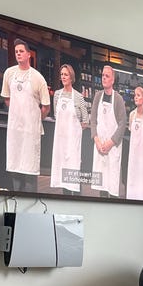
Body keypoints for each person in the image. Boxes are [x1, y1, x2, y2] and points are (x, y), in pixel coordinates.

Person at [0, 38, 50, 192]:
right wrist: (18, 114)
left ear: (29, 54)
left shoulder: (38, 78)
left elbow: (46, 107)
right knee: (15, 167)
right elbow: (7, 98)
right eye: (16, 51)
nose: (18, 54)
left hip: (30, 131)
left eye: (21, 51)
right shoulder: (9, 73)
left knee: (29, 170)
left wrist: (34, 120)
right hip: (15, 129)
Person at [50, 64, 89, 194]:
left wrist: (75, 133)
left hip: (73, 144)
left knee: (74, 172)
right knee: (62, 173)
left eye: (66, 74)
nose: (63, 77)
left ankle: (77, 198)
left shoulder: (78, 97)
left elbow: (85, 120)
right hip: (60, 142)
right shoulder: (57, 95)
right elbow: (56, 115)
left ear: (71, 77)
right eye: (62, 74)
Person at [90, 65, 126, 197]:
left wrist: (110, 143)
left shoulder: (118, 99)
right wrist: (97, 140)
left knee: (112, 182)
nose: (104, 78)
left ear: (113, 80)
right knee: (102, 184)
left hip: (112, 147)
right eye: (103, 75)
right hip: (99, 146)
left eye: (107, 76)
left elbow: (122, 124)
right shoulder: (97, 96)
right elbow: (93, 120)